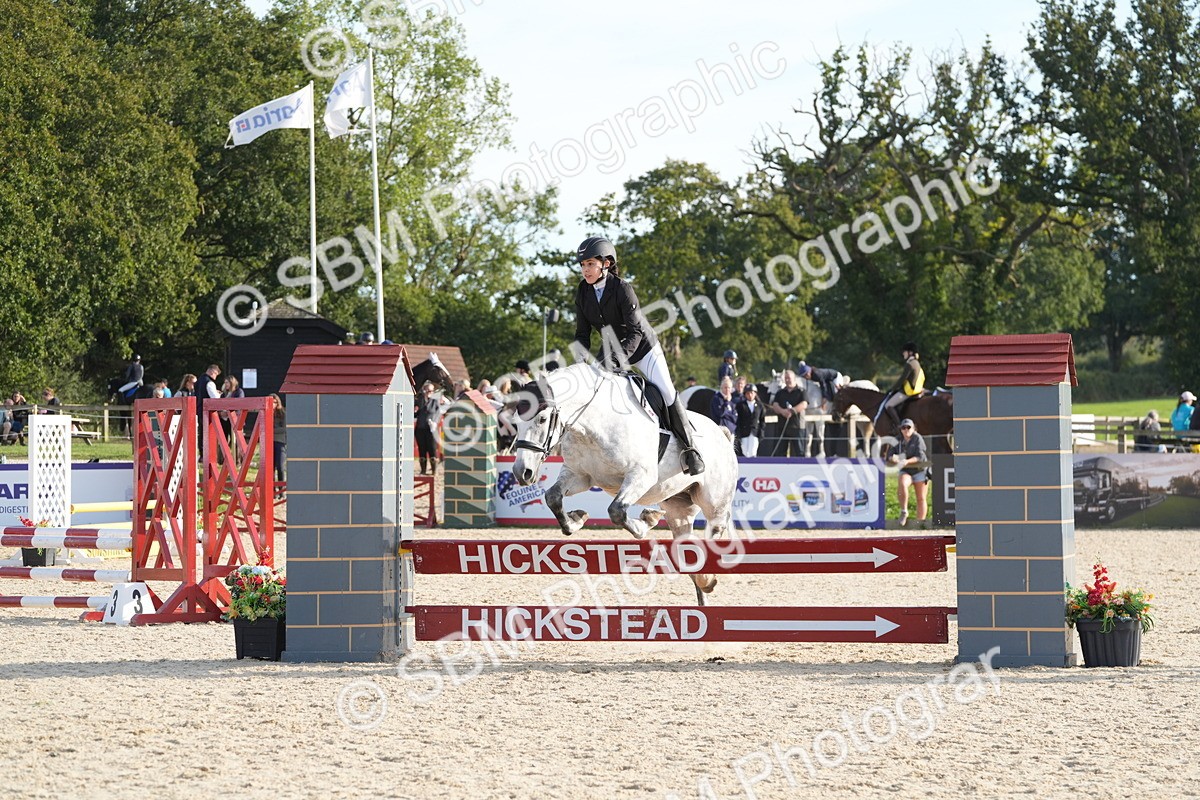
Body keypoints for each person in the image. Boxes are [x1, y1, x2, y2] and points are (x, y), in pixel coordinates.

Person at [573, 235, 704, 474]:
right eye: (583, 265)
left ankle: (690, 449)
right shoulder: (583, 292)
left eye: (590, 263)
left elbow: (634, 333)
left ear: (606, 264)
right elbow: (582, 333)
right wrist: (580, 362)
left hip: (643, 348)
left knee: (666, 391)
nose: (585, 270)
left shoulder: (622, 289)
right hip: (611, 348)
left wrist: (616, 359)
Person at [890, 418, 929, 526]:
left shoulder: (918, 438)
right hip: (906, 471)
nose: (906, 429)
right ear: (901, 429)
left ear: (913, 428)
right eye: (903, 427)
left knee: (921, 498)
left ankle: (920, 523)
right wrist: (893, 458)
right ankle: (904, 511)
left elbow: (920, 457)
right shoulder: (897, 440)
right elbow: (889, 455)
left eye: (908, 427)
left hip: (920, 470)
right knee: (902, 483)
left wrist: (907, 461)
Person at [881, 343, 925, 430]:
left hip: (909, 391)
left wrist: (891, 389)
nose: (903, 353)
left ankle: (899, 426)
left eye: (904, 352)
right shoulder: (916, 363)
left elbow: (902, 380)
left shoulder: (910, 364)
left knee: (888, 405)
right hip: (917, 389)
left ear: (910, 353)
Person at [768, 369, 808, 457]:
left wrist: (792, 411)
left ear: (794, 378)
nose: (787, 380)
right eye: (785, 378)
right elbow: (775, 405)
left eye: (789, 378)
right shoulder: (780, 392)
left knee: (800, 452)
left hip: (797, 426)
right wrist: (783, 412)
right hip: (782, 426)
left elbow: (804, 404)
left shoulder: (801, 391)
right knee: (780, 452)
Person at [415, 381, 444, 475]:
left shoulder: (435, 401)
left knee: (432, 449)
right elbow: (416, 412)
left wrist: (434, 422)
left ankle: (434, 471)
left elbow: (438, 413)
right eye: (427, 390)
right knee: (422, 449)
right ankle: (423, 470)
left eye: (430, 391)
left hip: (431, 429)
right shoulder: (420, 400)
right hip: (420, 428)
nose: (428, 392)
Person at [735, 384, 766, 457]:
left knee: (753, 451)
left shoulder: (760, 406)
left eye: (752, 393)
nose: (750, 395)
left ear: (755, 393)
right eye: (748, 393)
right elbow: (738, 420)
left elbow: (762, 420)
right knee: (745, 451)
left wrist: (761, 432)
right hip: (744, 432)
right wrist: (738, 432)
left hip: (755, 432)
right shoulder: (740, 405)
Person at [270, 393, 287, 491]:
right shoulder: (266, 413)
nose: (273, 404)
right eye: (271, 402)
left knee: (280, 467)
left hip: (280, 441)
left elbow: (284, 428)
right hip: (269, 442)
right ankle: (272, 490)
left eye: (275, 402)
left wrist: (271, 430)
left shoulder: (282, 413)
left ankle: (281, 490)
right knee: (270, 468)